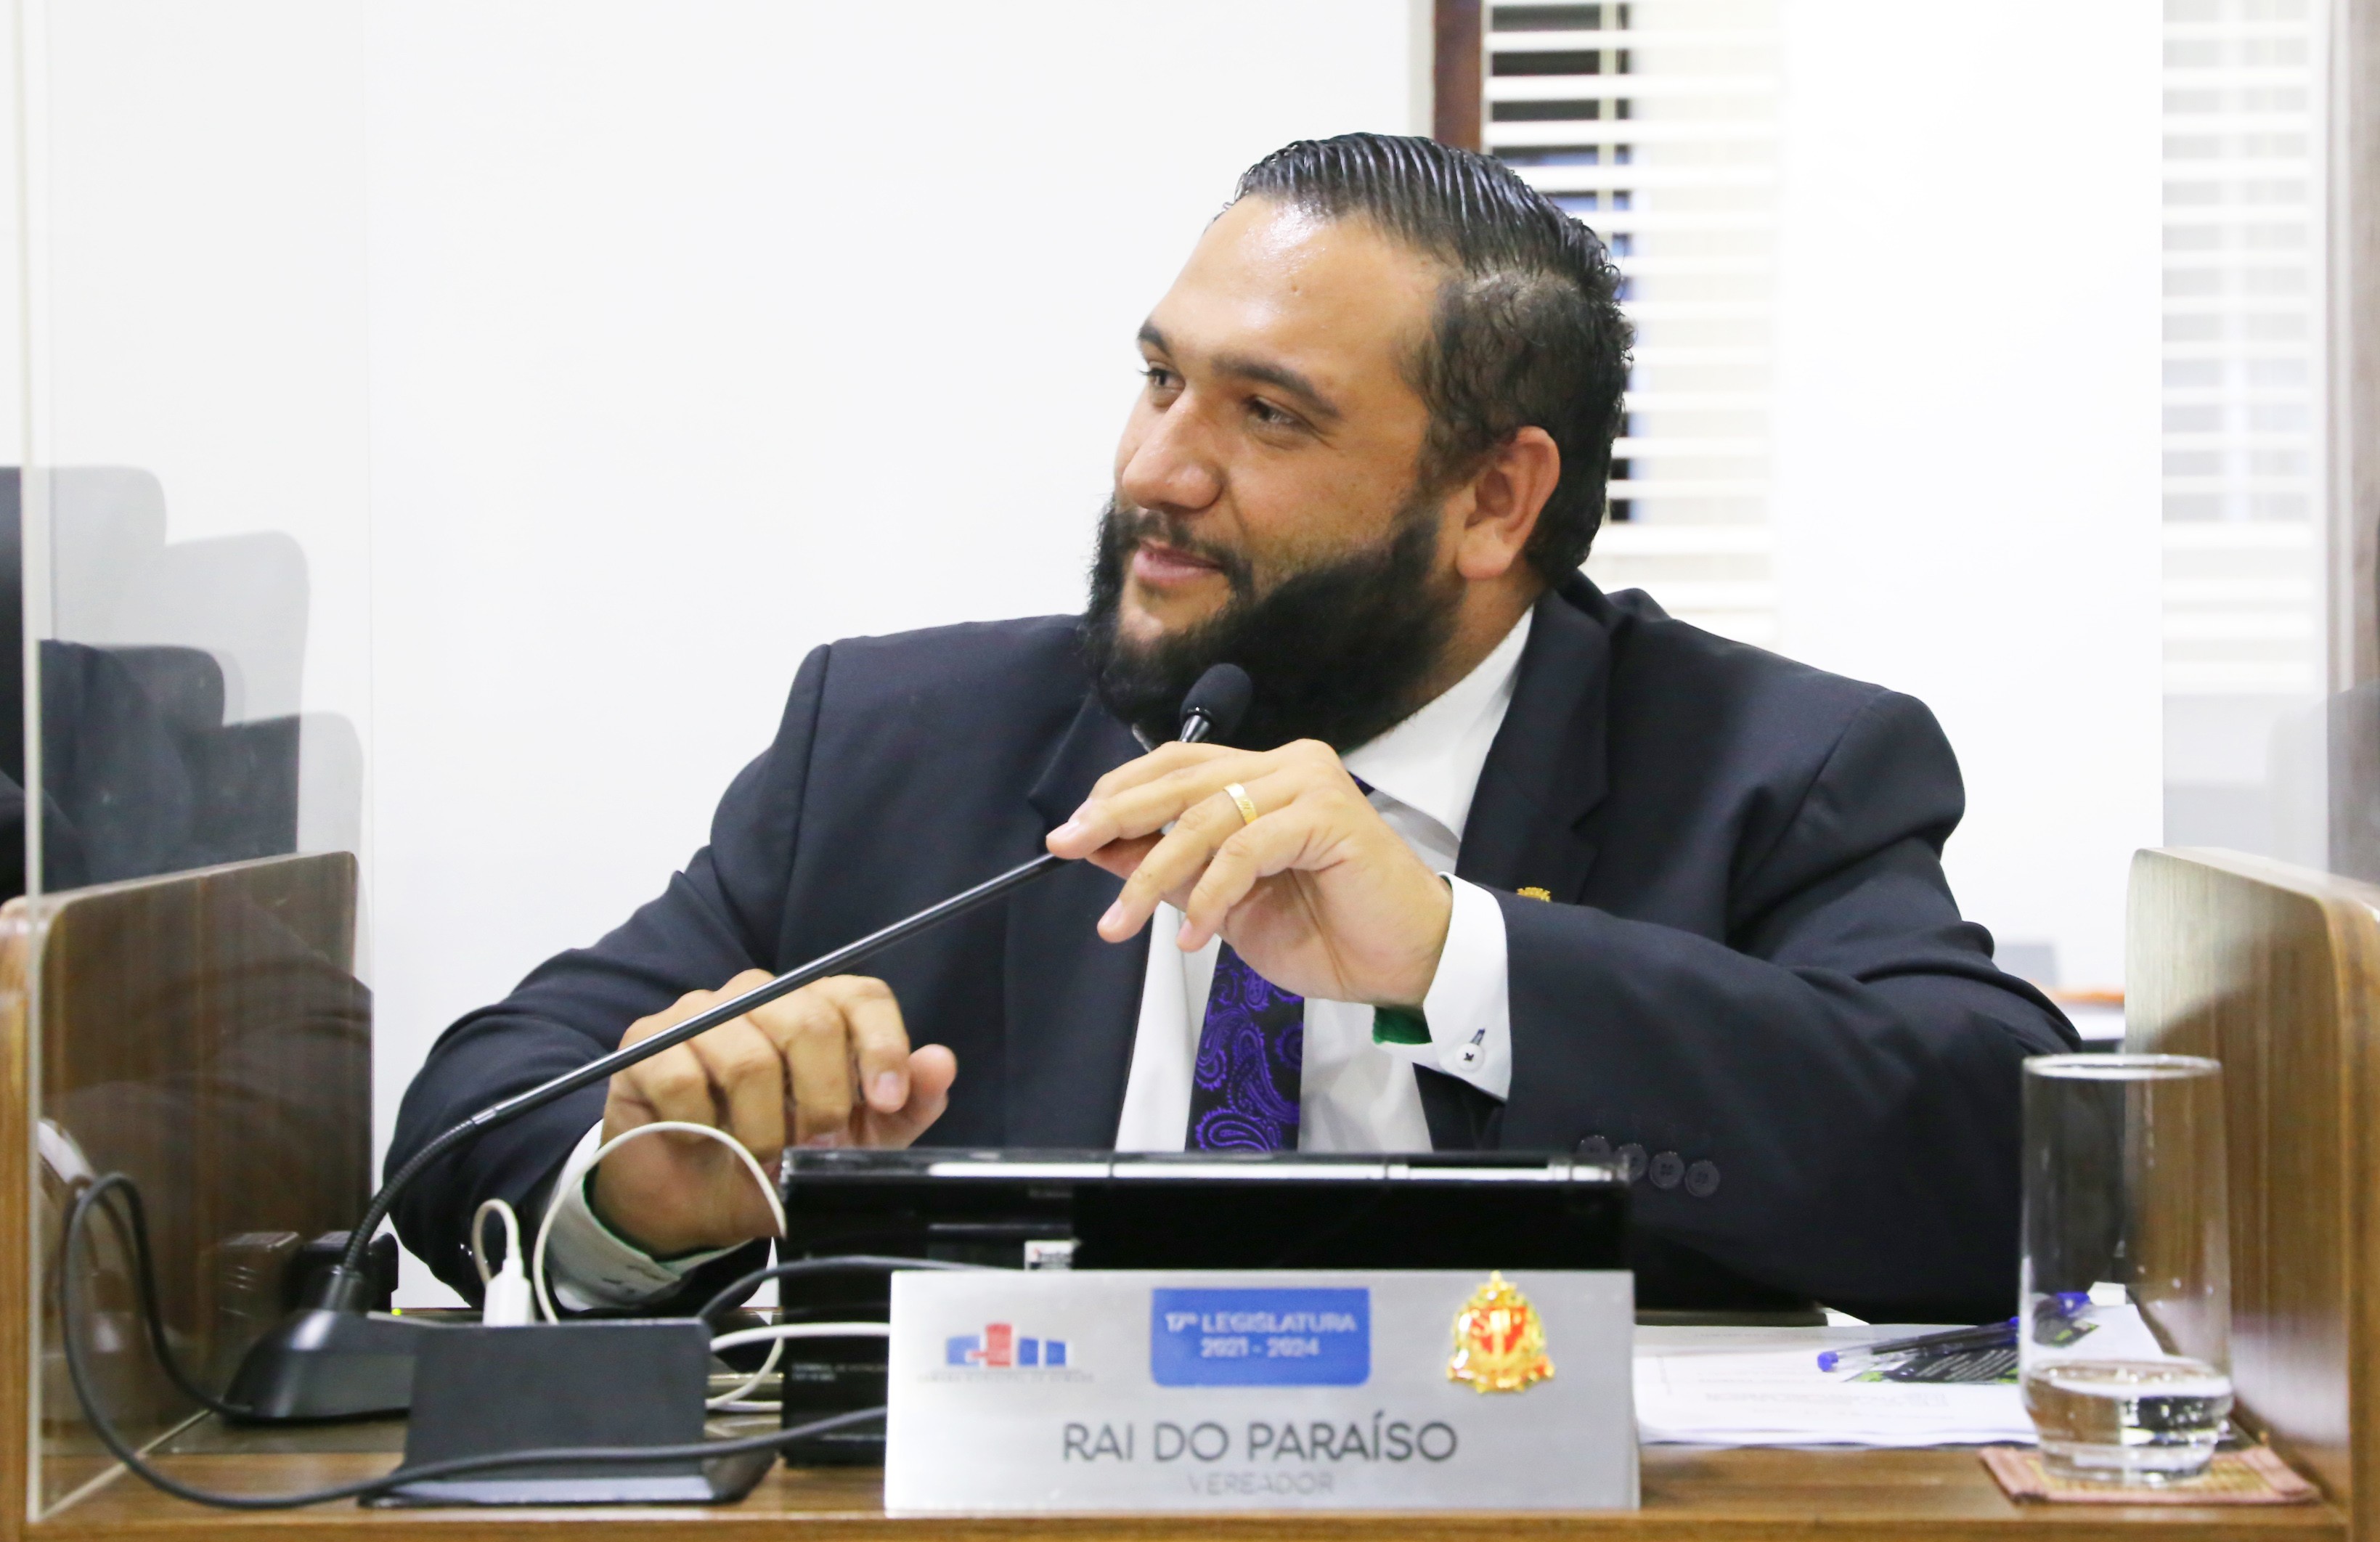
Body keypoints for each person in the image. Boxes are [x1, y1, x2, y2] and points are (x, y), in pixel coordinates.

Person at [391, 134, 2073, 1323]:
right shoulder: (903, 737)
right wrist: (643, 1193)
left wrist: (1457, 963)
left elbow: (2015, 1158)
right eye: (1159, 378)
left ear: (1496, 498)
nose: (1155, 471)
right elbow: (475, 1112)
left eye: (1264, 414)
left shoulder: (1771, 766)